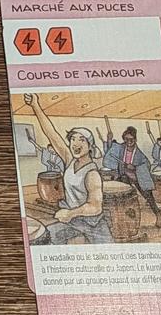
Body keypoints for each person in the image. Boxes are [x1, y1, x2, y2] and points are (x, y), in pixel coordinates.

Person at [24, 95, 110, 244]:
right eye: (72, 139)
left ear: (90, 147)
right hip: (72, 222)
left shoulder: (92, 173)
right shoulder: (69, 159)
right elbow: (52, 134)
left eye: (81, 140)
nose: (75, 143)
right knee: (43, 239)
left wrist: (70, 213)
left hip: (93, 224)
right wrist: (35, 105)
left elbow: (95, 207)